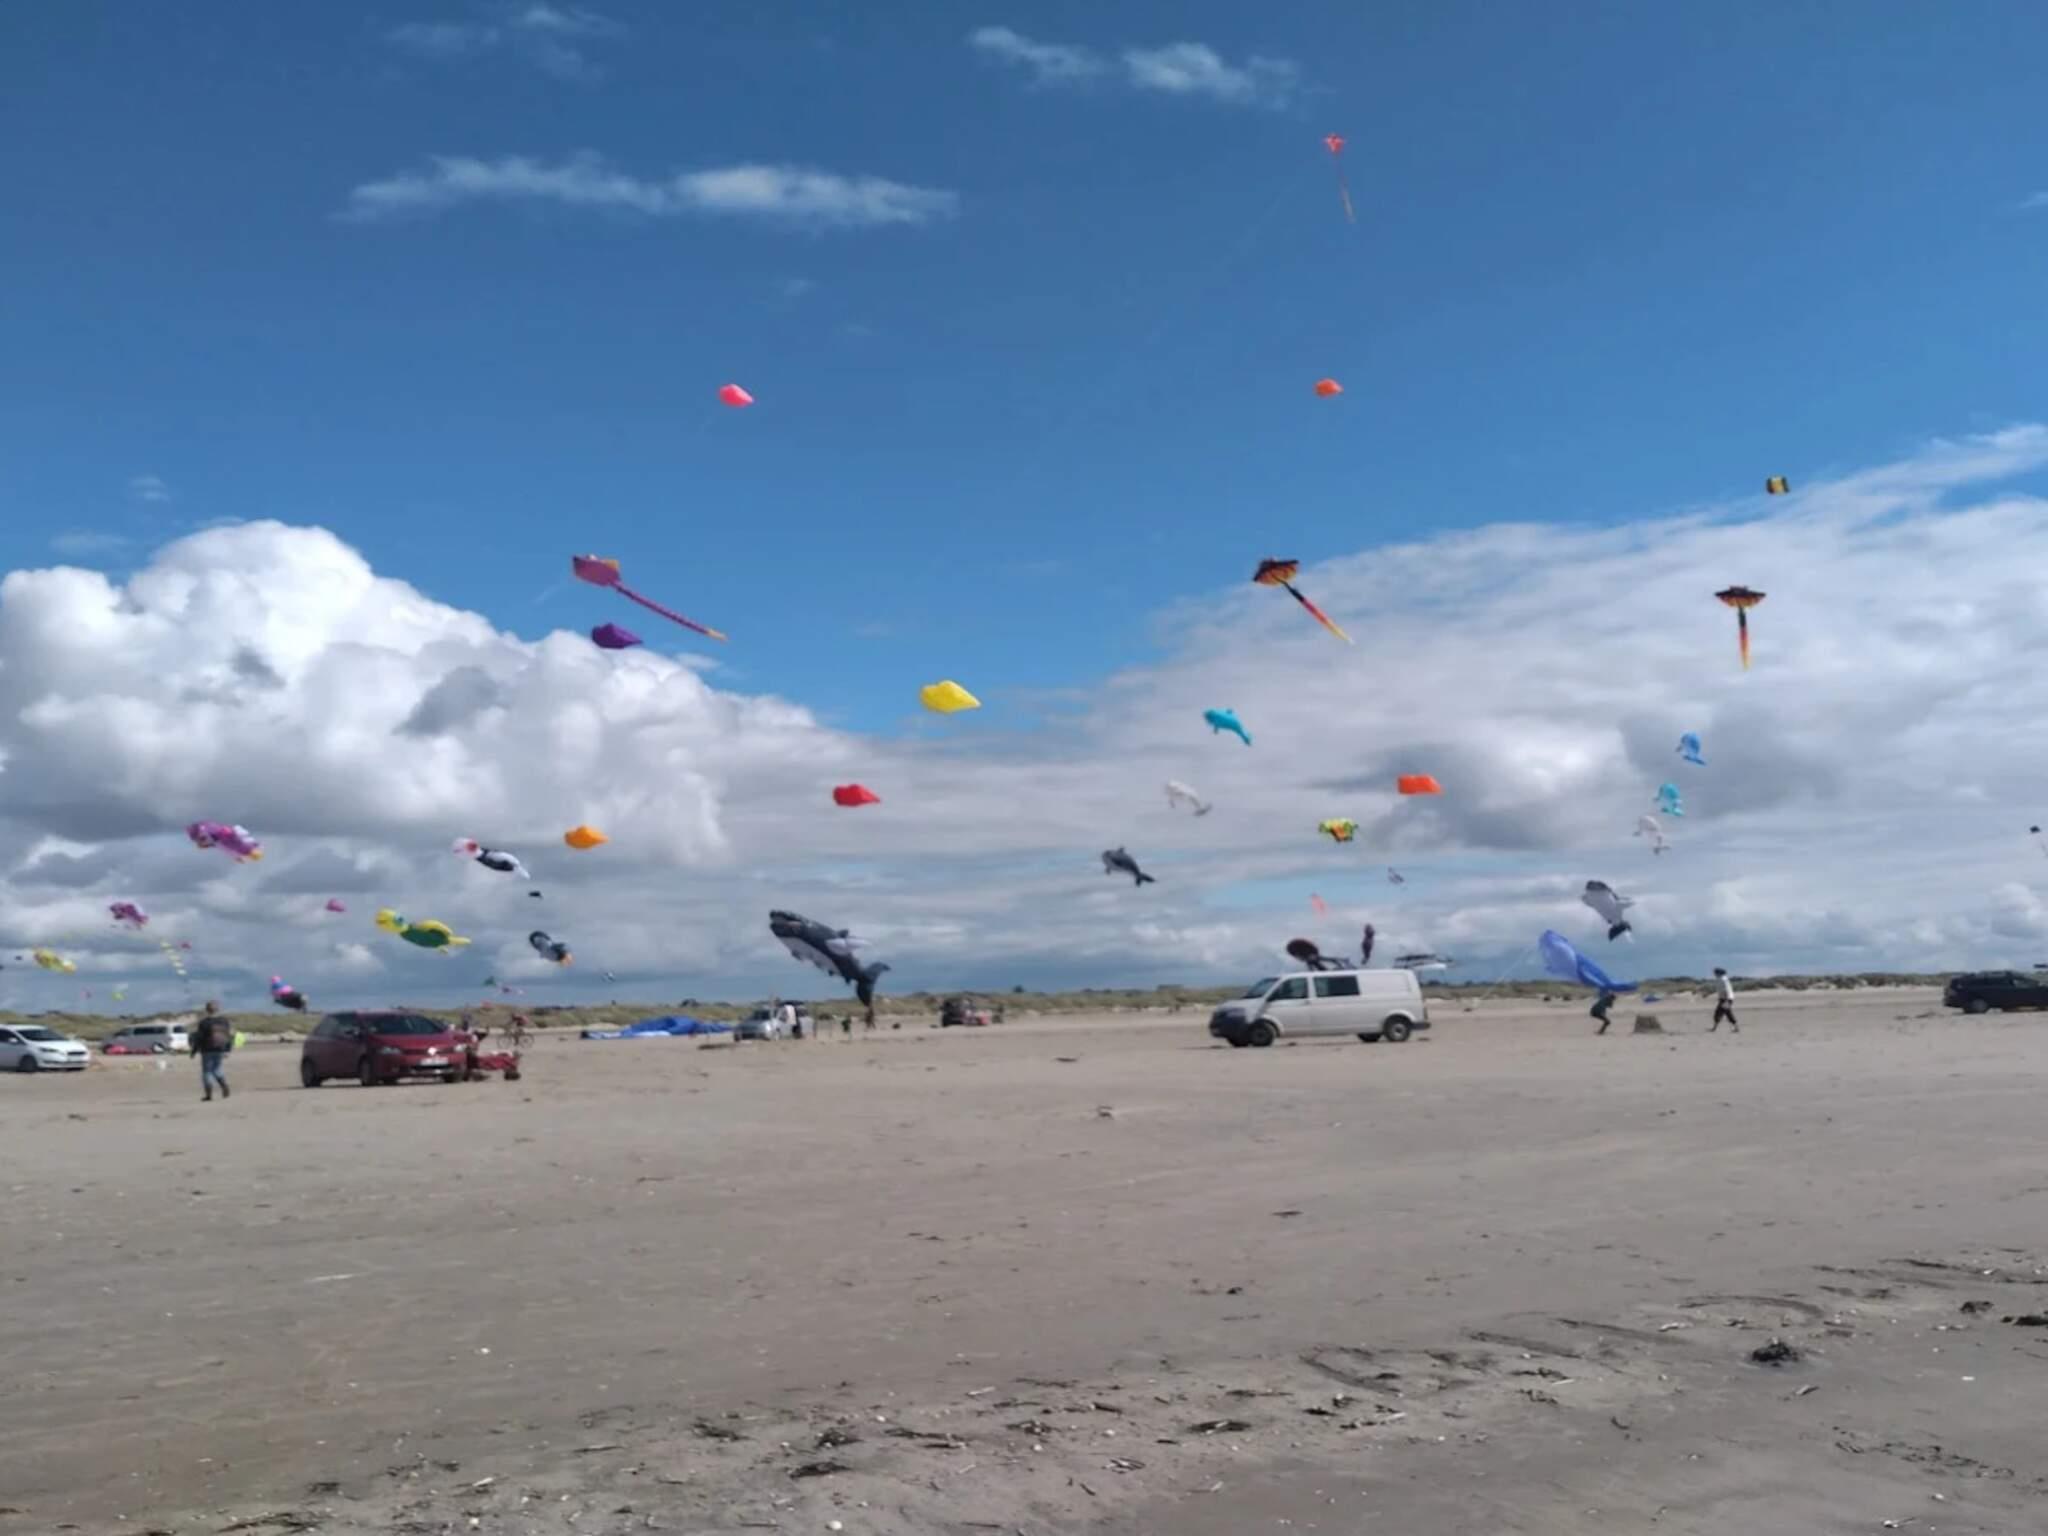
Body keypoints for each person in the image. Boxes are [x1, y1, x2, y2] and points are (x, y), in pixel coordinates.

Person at [191, 1001, 234, 1101]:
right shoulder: (224, 1021)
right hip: (220, 1049)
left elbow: (199, 1038)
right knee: (217, 1069)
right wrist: (227, 1049)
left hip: (207, 1050)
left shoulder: (204, 1023)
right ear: (218, 1009)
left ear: (207, 1010)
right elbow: (228, 1036)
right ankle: (224, 1085)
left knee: (207, 1072)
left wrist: (194, 1051)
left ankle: (209, 1095)